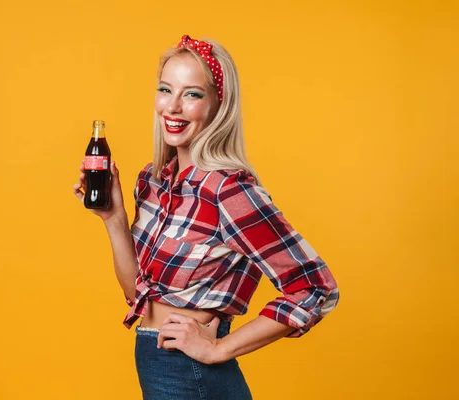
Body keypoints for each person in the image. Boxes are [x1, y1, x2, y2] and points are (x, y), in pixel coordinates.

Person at [73, 34, 340, 400]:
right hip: (155, 361)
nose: (173, 107)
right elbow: (137, 294)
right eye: (166, 90)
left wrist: (219, 349)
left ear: (219, 104)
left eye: (192, 94)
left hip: (192, 374)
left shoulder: (228, 191)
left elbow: (314, 288)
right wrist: (113, 218)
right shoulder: (154, 181)